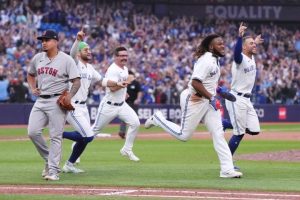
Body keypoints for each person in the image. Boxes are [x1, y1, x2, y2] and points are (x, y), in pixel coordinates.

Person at [144, 34, 243, 178]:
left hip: (208, 101)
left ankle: (226, 170)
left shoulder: (214, 60)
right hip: (194, 100)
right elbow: (195, 82)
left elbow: (208, 82)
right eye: (219, 44)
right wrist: (211, 97)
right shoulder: (207, 60)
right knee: (184, 135)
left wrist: (220, 91)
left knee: (218, 133)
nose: (223, 46)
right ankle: (158, 119)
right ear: (211, 46)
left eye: (223, 43)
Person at [61, 30, 127, 173]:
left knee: (84, 138)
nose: (89, 51)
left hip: (83, 106)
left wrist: (117, 83)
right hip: (72, 105)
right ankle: (59, 133)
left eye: (90, 49)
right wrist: (77, 40)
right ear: (79, 52)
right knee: (88, 136)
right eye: (86, 49)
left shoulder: (89, 67)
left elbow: (102, 81)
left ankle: (69, 164)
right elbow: (71, 54)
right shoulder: (74, 63)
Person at [27, 29, 81, 181]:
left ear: (56, 41)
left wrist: (69, 96)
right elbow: (30, 74)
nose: (43, 42)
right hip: (40, 100)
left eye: (47, 39)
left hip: (57, 101)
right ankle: (48, 159)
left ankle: (53, 171)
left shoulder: (66, 60)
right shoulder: (38, 58)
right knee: (32, 132)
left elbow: (76, 81)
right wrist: (32, 87)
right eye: (42, 40)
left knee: (55, 136)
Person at [92, 46, 140, 162]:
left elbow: (121, 86)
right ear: (115, 57)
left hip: (121, 104)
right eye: (122, 56)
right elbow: (112, 88)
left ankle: (127, 149)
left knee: (135, 123)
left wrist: (125, 92)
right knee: (93, 132)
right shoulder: (113, 69)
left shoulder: (125, 69)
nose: (124, 58)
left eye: (126, 55)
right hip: (109, 105)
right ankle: (76, 148)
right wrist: (126, 83)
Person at [224, 23, 263, 164]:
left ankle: (224, 123)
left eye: (255, 43)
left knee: (254, 130)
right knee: (239, 133)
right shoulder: (239, 59)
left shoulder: (251, 56)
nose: (255, 45)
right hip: (236, 98)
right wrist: (240, 37)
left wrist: (254, 42)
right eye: (251, 44)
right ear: (244, 47)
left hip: (246, 100)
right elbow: (236, 54)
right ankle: (227, 163)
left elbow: (250, 48)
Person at [118, 70, 142, 139]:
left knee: (135, 118)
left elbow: (139, 92)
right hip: (126, 103)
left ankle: (132, 133)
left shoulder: (136, 83)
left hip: (134, 103)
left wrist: (138, 99)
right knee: (123, 117)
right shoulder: (125, 83)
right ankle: (122, 132)